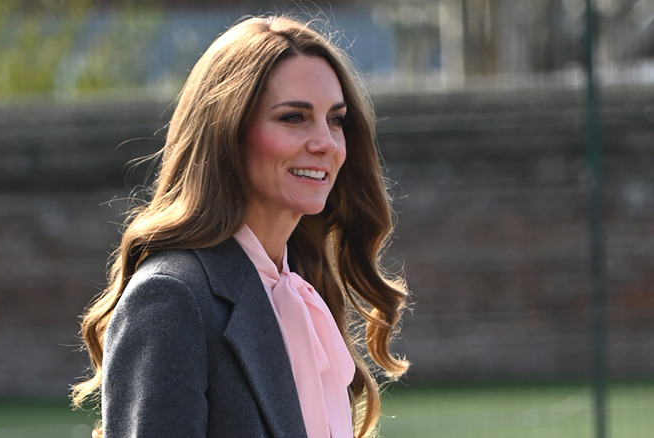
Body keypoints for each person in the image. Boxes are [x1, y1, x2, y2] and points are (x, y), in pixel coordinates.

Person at [71, 14, 409, 438]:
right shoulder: (171, 298)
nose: (326, 142)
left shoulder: (304, 290)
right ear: (227, 131)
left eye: (336, 120)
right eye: (294, 117)